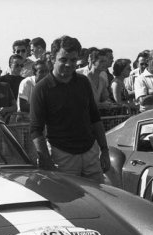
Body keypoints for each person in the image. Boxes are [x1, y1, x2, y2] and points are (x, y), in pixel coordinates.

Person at [30, 35, 110, 182]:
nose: (68, 64)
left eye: (73, 60)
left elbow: (95, 118)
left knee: (98, 201)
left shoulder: (83, 82)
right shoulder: (41, 89)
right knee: (71, 203)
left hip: (90, 153)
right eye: (63, 60)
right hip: (62, 157)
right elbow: (36, 130)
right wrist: (46, 161)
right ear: (53, 59)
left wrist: (104, 150)